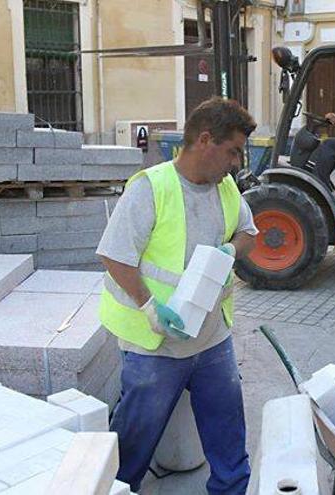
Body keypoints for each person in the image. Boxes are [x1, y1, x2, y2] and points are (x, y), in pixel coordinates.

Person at [96, 97, 258, 494]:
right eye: (233, 151)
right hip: (155, 345)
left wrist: (231, 250)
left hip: (211, 339)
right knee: (133, 441)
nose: (237, 162)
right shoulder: (151, 188)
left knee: (228, 434)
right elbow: (114, 256)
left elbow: (249, 234)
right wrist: (150, 306)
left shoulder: (227, 190)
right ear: (205, 140)